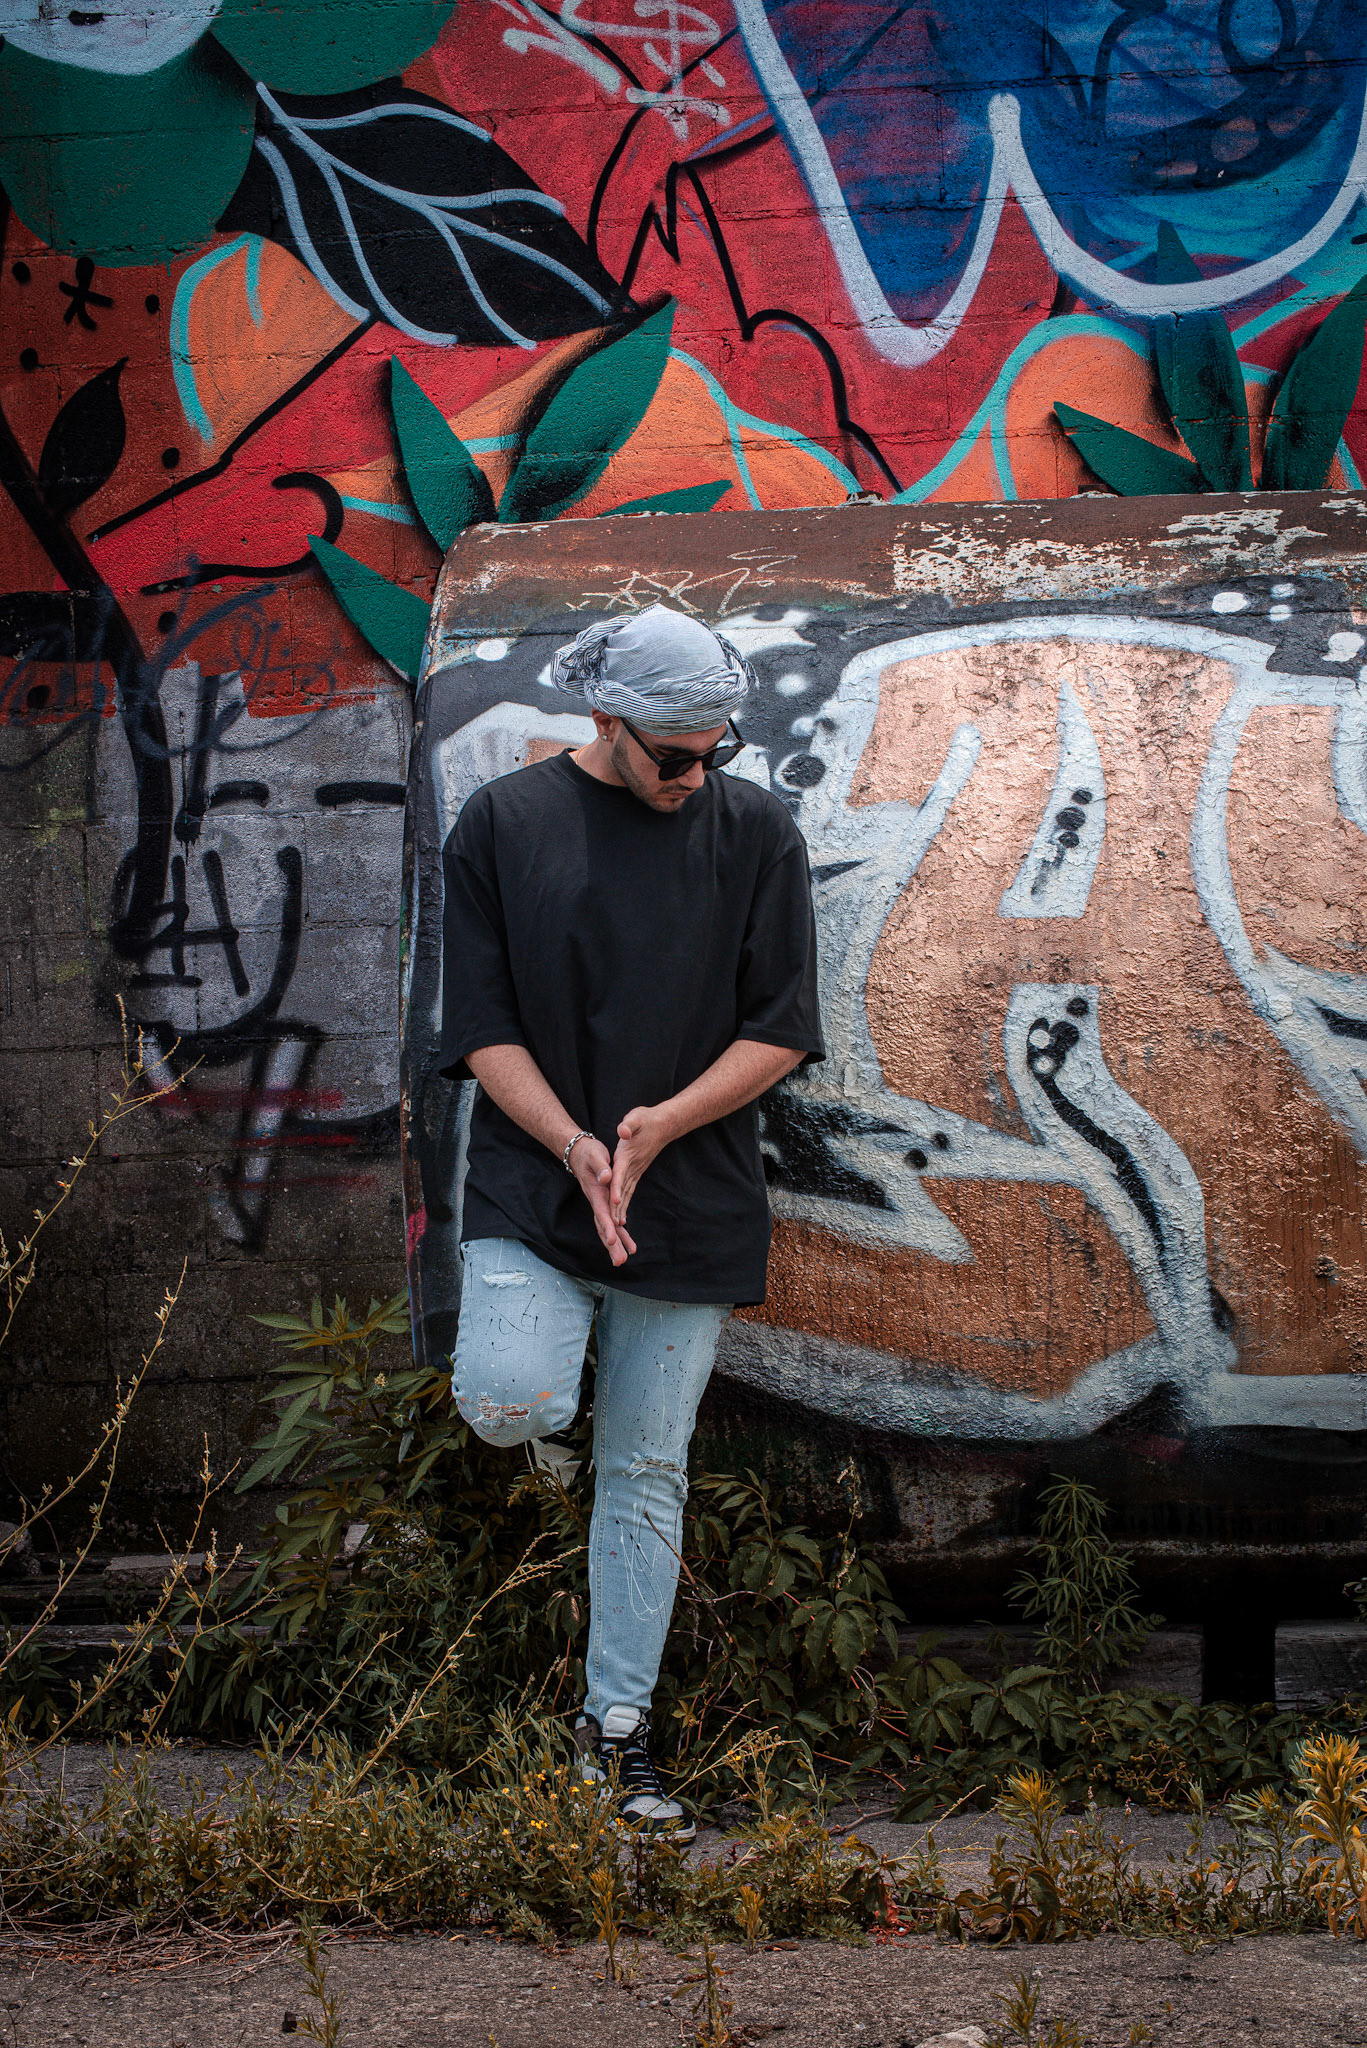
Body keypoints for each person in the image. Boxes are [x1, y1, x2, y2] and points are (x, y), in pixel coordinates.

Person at [439, 602, 825, 1840]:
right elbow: (481, 1026)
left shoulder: (754, 829)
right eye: (673, 754)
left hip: (691, 1186)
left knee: (648, 1468)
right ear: (604, 720)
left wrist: (659, 1127)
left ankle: (615, 1732)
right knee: (510, 1398)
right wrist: (576, 1142)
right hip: (534, 1170)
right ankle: (555, 1422)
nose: (695, 774)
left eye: (715, 749)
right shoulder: (503, 822)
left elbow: (780, 1025)